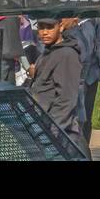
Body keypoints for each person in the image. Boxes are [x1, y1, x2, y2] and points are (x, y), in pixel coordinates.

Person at [27, 17, 87, 155]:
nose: (44, 32)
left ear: (60, 27)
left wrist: (50, 135)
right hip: (43, 127)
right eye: (41, 27)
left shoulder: (66, 54)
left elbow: (66, 100)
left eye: (49, 27)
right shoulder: (49, 52)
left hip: (59, 137)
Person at [63, 16, 100, 146]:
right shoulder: (65, 14)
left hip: (90, 77)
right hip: (71, 77)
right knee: (73, 120)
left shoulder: (94, 17)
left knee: (86, 119)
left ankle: (84, 151)